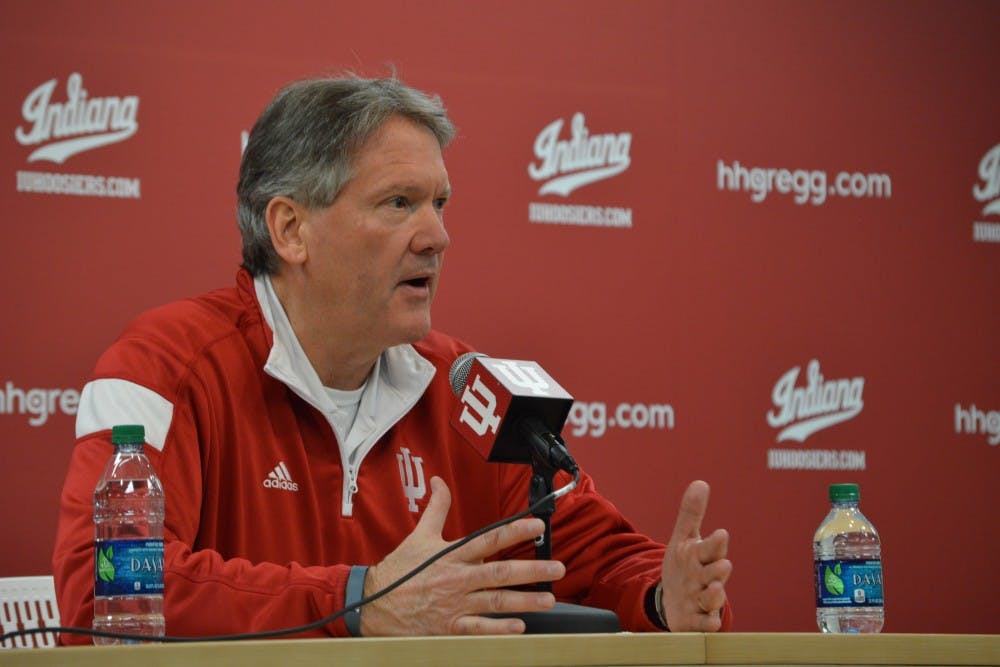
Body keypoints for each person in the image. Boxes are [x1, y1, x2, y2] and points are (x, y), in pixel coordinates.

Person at [52, 75, 732, 642]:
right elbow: (103, 593)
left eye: (438, 203)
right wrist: (359, 601)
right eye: (399, 203)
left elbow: (598, 556)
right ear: (290, 228)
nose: (437, 236)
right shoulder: (163, 366)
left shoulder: (469, 389)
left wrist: (664, 598)